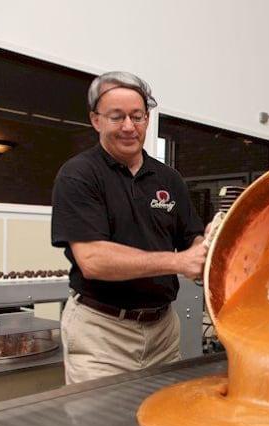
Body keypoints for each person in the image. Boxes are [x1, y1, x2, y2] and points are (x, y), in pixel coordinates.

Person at [51, 71, 207, 385]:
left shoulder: (168, 179)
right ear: (96, 120)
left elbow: (192, 235)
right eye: (116, 117)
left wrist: (205, 252)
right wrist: (178, 262)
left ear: (147, 120)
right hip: (102, 333)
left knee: (159, 422)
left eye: (137, 116)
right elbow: (93, 260)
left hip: (163, 330)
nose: (128, 127)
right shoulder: (79, 175)